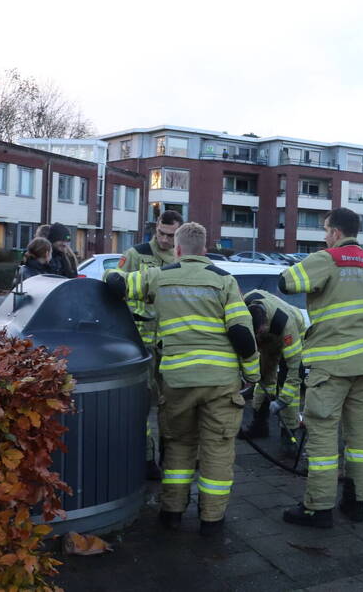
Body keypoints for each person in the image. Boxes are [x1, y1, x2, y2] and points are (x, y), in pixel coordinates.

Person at [104, 222, 259, 536]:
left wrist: (115, 277)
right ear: (204, 250)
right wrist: (252, 375)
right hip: (220, 381)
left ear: (176, 249)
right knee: (217, 448)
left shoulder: (159, 277)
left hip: (177, 380)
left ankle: (172, 512)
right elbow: (242, 332)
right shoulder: (225, 280)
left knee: (178, 444)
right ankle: (212, 520)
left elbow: (116, 283)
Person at [277, 207, 363, 528]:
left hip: (330, 365)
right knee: (361, 438)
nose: (324, 236)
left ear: (334, 232)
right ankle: (356, 502)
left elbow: (285, 281)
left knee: (323, 437)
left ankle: (318, 508)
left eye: (325, 230)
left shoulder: (327, 258)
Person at [119, 210, 185, 479]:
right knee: (143, 404)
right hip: (142, 344)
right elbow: (116, 284)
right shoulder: (136, 254)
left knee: (171, 405)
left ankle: (169, 457)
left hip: (171, 343)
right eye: (161, 233)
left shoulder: (183, 258)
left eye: (171, 236)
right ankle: (146, 458)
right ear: (155, 227)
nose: (165, 240)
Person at [241, 288, 305, 455]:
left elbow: (295, 369)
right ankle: (259, 425)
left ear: (264, 325)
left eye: (259, 333)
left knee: (286, 381)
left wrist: (283, 400)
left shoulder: (285, 324)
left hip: (293, 335)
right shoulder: (244, 305)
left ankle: (288, 433)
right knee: (263, 379)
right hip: (269, 341)